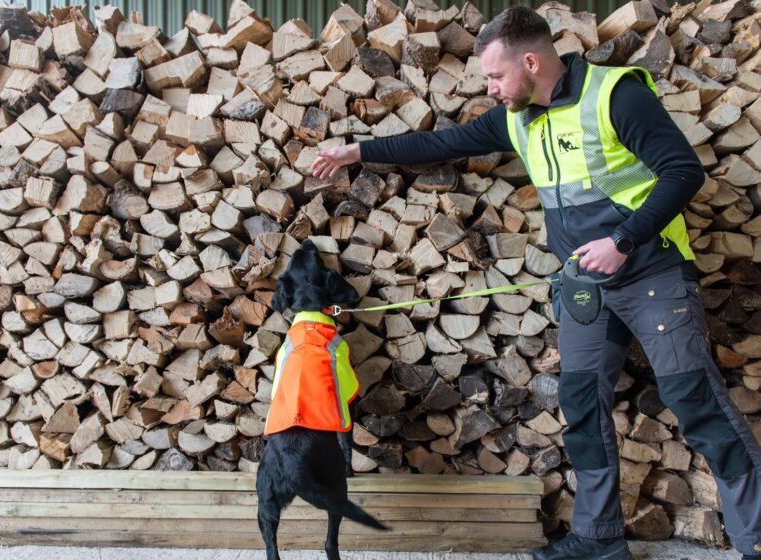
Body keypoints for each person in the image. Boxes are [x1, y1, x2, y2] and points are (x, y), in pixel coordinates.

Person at [311, 6, 761, 560]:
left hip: (652, 272)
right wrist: (356, 151)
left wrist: (622, 241)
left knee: (695, 400)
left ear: (530, 60)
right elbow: (441, 144)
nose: (492, 88)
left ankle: (755, 536)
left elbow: (683, 171)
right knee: (581, 404)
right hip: (585, 287)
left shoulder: (615, 95)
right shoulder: (516, 115)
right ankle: (599, 541)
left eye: (497, 76)